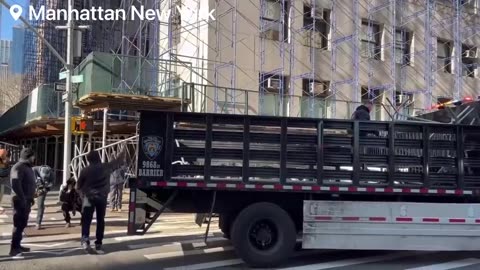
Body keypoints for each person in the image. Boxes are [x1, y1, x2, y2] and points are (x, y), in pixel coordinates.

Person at [77, 150, 126, 252]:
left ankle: (85, 240)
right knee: (100, 220)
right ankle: (98, 242)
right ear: (98, 157)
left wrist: (82, 195)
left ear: (88, 160)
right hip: (102, 197)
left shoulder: (85, 170)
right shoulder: (106, 167)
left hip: (89, 197)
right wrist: (123, 151)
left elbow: (79, 186)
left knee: (86, 220)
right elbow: (117, 162)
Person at [9, 148, 36, 257]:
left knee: (22, 224)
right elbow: (15, 184)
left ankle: (18, 245)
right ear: (28, 157)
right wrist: (23, 198)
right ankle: (14, 249)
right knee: (18, 224)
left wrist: (31, 198)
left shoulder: (27, 167)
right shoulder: (18, 167)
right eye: (33, 156)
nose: (34, 158)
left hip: (26, 200)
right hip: (19, 200)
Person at [32, 165, 53, 230]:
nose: (44, 178)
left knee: (40, 205)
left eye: (46, 178)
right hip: (31, 186)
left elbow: (50, 185)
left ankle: (38, 223)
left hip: (43, 188)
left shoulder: (52, 174)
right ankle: (23, 221)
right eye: (43, 177)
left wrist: (43, 190)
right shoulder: (33, 170)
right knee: (26, 204)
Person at [0, 149, 10, 214]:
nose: (5, 155)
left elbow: (6, 171)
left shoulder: (5, 161)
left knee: (1, 193)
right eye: (3, 154)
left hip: (2, 180)